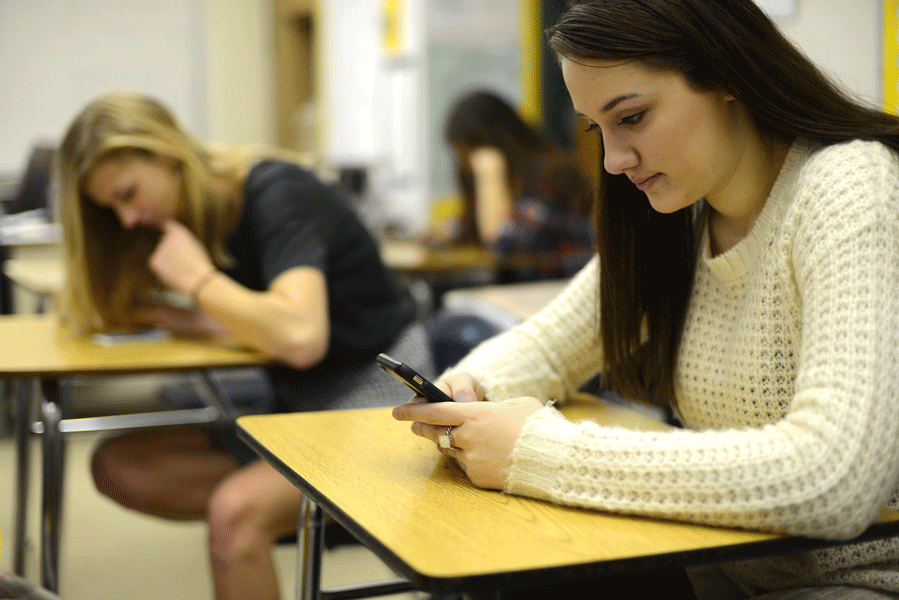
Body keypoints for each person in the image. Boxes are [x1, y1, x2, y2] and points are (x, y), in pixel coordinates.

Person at [393, 0, 899, 598]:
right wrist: (472, 388)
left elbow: (834, 479)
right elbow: (550, 345)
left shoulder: (849, 186)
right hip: (718, 567)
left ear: (727, 75)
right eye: (595, 128)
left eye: (631, 117)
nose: (613, 161)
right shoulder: (684, 214)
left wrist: (540, 452)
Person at [55, 90, 433, 600]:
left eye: (127, 194)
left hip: (379, 400)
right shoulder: (199, 212)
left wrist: (200, 281)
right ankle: (318, 508)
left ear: (167, 153)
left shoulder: (279, 191)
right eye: (110, 208)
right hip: (300, 406)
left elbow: (300, 338)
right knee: (119, 468)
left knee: (235, 515)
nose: (126, 219)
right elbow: (268, 319)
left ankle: (330, 506)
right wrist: (188, 316)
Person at [441, 89, 594, 282]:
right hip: (518, 291)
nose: (466, 166)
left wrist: (490, 174)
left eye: (468, 154)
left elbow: (502, 244)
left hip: (553, 291)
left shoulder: (556, 177)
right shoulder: (512, 179)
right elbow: (468, 229)